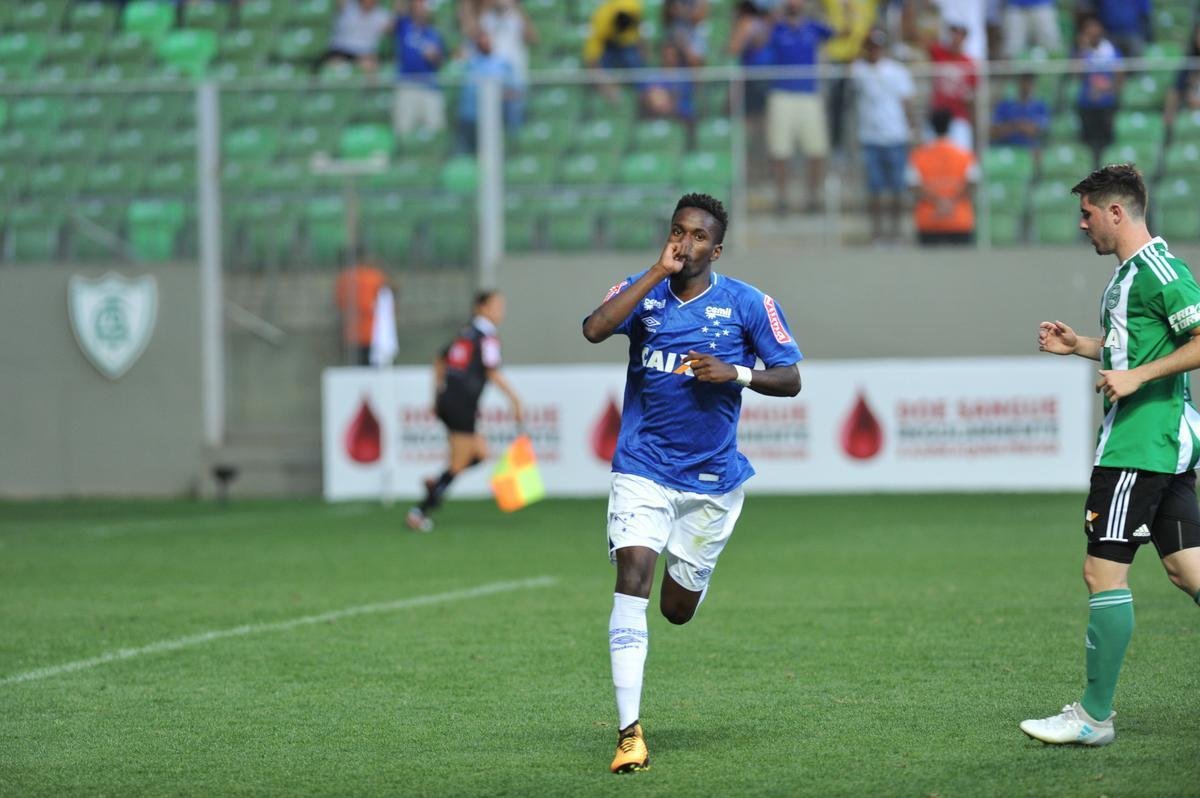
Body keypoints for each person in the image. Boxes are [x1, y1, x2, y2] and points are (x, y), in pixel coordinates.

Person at [581, 193, 803, 774]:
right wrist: (656, 271)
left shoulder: (749, 304)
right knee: (633, 575)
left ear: (717, 248)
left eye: (699, 236)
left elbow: (792, 378)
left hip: (712, 479)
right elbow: (594, 328)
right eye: (678, 232)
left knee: (677, 609)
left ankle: (693, 577)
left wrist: (739, 373)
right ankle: (629, 731)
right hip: (642, 468)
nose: (686, 242)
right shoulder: (642, 288)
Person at [1021, 163, 1200, 746]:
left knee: (1101, 571)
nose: (1082, 223)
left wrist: (1138, 376)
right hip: (1160, 443)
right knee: (1186, 568)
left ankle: (1094, 718)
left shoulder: (1160, 271)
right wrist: (1081, 347)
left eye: (1088, 213)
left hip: (1137, 446)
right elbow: (1134, 345)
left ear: (1116, 212)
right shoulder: (1128, 276)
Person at [406, 290, 523, 533]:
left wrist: (436, 395)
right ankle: (419, 512)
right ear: (480, 308)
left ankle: (437, 482)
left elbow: (439, 361)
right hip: (462, 405)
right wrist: (515, 400)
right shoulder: (487, 337)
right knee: (459, 463)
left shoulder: (466, 333)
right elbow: (491, 371)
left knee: (480, 453)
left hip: (449, 401)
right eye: (496, 305)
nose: (501, 310)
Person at [764, 0, 842, 215]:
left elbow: (840, 34)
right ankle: (782, 199)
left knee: (816, 150)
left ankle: (813, 198)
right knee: (780, 152)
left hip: (809, 94)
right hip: (782, 94)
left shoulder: (813, 27)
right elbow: (759, 44)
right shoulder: (776, 27)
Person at [852, 28, 915, 244]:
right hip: (870, 137)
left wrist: (911, 128)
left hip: (895, 135)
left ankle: (895, 233)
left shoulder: (897, 71)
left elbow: (906, 102)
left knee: (897, 189)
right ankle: (877, 234)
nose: (874, 51)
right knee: (875, 190)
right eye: (870, 46)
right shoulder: (858, 70)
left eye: (877, 46)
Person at [907, 107, 978, 245]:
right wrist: (949, 203)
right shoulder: (965, 155)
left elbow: (914, 187)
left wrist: (939, 203)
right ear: (951, 126)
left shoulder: (918, 156)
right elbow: (972, 185)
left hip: (929, 220)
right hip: (959, 219)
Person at [821, 0, 876, 161]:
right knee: (836, 106)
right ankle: (837, 148)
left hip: (861, 58)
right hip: (837, 58)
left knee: (863, 103)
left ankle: (861, 147)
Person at [454, 31, 519, 154]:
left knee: (491, 151)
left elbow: (515, 92)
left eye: (487, 40)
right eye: (481, 41)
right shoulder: (470, 63)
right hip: (470, 117)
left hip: (494, 117)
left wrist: (501, 96)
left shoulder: (503, 63)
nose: (485, 43)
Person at [392, 0, 448, 136]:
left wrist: (435, 56)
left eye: (423, 6)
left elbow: (441, 63)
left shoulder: (434, 34)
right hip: (407, 83)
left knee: (435, 128)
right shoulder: (404, 25)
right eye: (417, 6)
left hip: (429, 85)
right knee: (403, 129)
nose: (421, 9)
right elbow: (397, 8)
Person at [1075, 14, 1122, 169]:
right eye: (1088, 28)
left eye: (1094, 27)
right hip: (1087, 104)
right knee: (1087, 143)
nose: (1092, 31)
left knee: (1106, 142)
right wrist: (1082, 49)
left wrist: (1107, 89)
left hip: (1106, 104)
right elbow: (1078, 75)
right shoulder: (1082, 52)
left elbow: (1120, 75)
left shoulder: (1110, 50)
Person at [334, 250, 388, 366]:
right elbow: (389, 295)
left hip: (352, 334)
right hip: (372, 333)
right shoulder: (375, 276)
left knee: (355, 370)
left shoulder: (344, 278)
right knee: (372, 370)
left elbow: (339, 304)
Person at [311, 0, 393, 75]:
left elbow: (392, 28)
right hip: (340, 49)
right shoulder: (347, 7)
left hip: (364, 53)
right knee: (327, 66)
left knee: (371, 66)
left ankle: (372, 90)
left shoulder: (382, 15)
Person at [990, 72, 1050, 151]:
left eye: (1029, 82)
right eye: (1024, 81)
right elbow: (995, 132)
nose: (1026, 86)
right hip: (1006, 149)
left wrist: (1013, 126)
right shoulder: (1005, 105)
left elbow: (1037, 132)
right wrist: (1019, 126)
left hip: (1031, 150)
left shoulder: (1041, 106)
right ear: (1019, 83)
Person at [1078, 0, 1151, 58]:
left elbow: (1145, 14)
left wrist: (1148, 36)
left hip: (1134, 33)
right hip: (1108, 33)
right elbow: (1089, 9)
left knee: (1137, 56)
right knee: (1106, 56)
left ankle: (1138, 76)